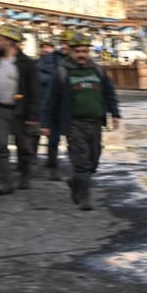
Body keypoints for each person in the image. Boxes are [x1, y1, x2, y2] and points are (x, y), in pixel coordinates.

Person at [40, 32, 121, 210]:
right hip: (74, 124)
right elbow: (50, 99)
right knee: (81, 162)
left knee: (93, 161)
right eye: (78, 51)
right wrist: (45, 123)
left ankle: (75, 181)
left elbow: (109, 94)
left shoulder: (98, 71)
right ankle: (85, 198)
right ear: (70, 52)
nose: (82, 55)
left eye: (85, 51)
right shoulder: (62, 72)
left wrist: (115, 114)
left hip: (95, 124)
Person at [0, 24, 41, 195]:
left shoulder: (26, 64)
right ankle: (7, 182)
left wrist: (33, 116)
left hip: (21, 112)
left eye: (0, 39)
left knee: (24, 147)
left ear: (10, 42)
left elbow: (35, 92)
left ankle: (24, 176)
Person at [35, 35, 68, 180]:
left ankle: (78, 168)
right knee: (53, 139)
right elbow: (39, 75)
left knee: (74, 138)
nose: (66, 46)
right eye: (63, 43)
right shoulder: (49, 59)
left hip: (70, 106)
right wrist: (55, 81)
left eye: (68, 44)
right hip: (54, 104)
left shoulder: (78, 59)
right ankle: (52, 167)